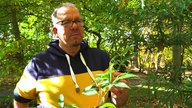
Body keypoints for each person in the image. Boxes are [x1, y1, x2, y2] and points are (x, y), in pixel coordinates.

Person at [13, 2, 129, 108]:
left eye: (78, 21)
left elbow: (117, 103)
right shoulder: (39, 64)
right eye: (66, 22)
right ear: (55, 32)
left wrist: (120, 94)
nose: (74, 26)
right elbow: (20, 100)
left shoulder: (101, 58)